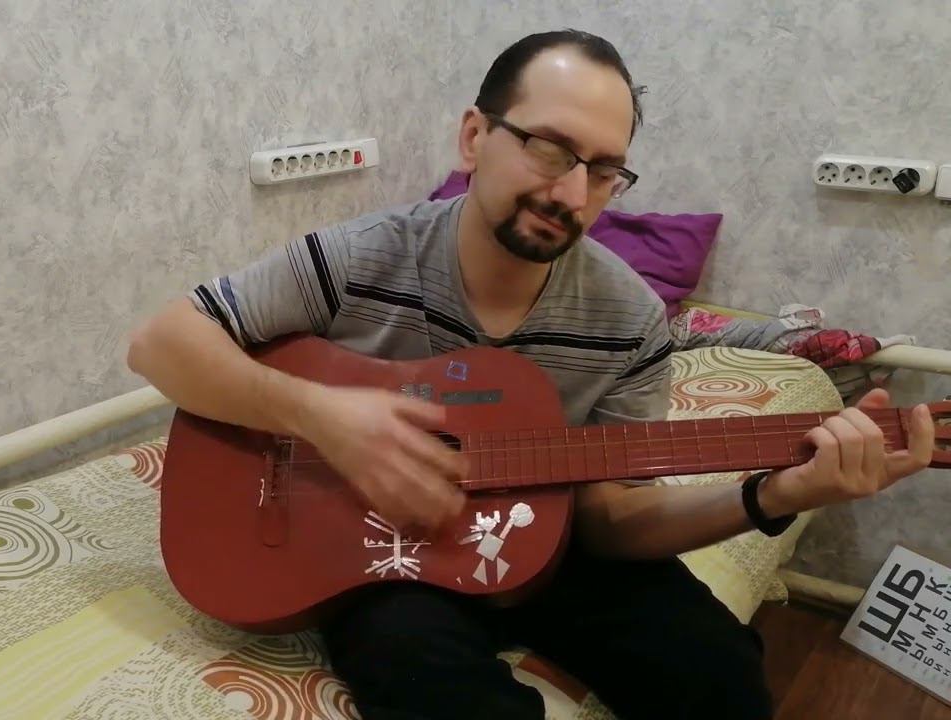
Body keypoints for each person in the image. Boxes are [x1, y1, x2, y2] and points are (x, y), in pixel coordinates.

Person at [126, 29, 935, 720]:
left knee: (720, 674)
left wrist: (774, 496)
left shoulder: (630, 320)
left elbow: (613, 521)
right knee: (424, 676)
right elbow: (162, 344)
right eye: (549, 148)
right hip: (393, 557)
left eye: (604, 169)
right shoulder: (361, 256)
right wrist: (326, 419)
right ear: (474, 137)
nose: (572, 191)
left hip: (557, 545)